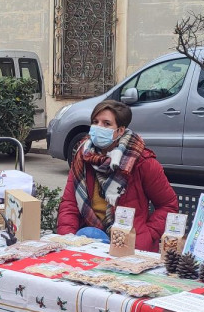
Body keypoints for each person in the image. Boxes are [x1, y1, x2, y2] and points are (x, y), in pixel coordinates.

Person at [57, 99, 178, 251]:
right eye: (95, 122)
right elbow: (70, 203)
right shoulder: (82, 156)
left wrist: (147, 235)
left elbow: (168, 205)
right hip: (87, 240)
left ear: (120, 131)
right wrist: (67, 239)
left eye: (106, 124)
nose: (98, 127)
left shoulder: (142, 162)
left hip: (129, 245)